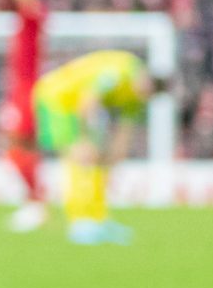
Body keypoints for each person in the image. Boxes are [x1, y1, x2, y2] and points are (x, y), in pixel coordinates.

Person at [33, 48, 156, 245]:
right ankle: (79, 221)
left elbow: (124, 131)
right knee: (78, 157)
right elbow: (87, 102)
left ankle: (98, 218)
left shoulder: (137, 96)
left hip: (82, 108)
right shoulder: (118, 71)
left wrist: (116, 152)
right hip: (58, 98)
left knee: (100, 159)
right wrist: (84, 138)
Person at [0, 0, 48, 233]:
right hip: (20, 88)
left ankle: (35, 203)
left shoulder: (32, 16)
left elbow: (36, 9)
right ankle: (34, 202)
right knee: (20, 146)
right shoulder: (21, 17)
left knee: (17, 144)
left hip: (27, 89)